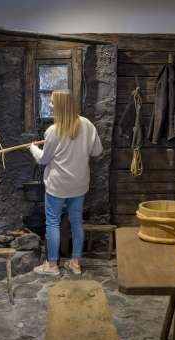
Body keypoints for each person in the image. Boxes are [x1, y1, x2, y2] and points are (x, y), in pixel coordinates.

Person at [29, 89, 103, 276]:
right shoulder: (87, 125)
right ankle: (75, 263)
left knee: (52, 223)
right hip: (78, 185)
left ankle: (53, 266)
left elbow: (43, 160)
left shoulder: (53, 131)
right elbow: (97, 152)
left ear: (61, 105)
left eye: (53, 102)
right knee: (76, 222)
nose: (50, 105)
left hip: (57, 186)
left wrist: (32, 148)